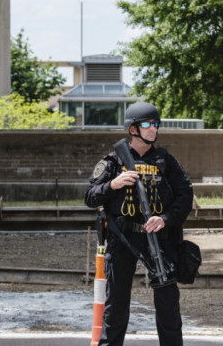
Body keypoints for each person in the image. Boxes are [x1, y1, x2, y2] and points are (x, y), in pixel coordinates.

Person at [85, 102, 194, 346]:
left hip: (157, 236)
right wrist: (113, 184)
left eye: (156, 124)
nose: (153, 129)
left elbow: (186, 196)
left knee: (168, 302)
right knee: (116, 304)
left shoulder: (166, 161)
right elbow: (90, 196)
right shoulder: (113, 161)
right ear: (133, 129)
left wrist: (165, 219)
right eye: (147, 124)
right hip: (123, 238)